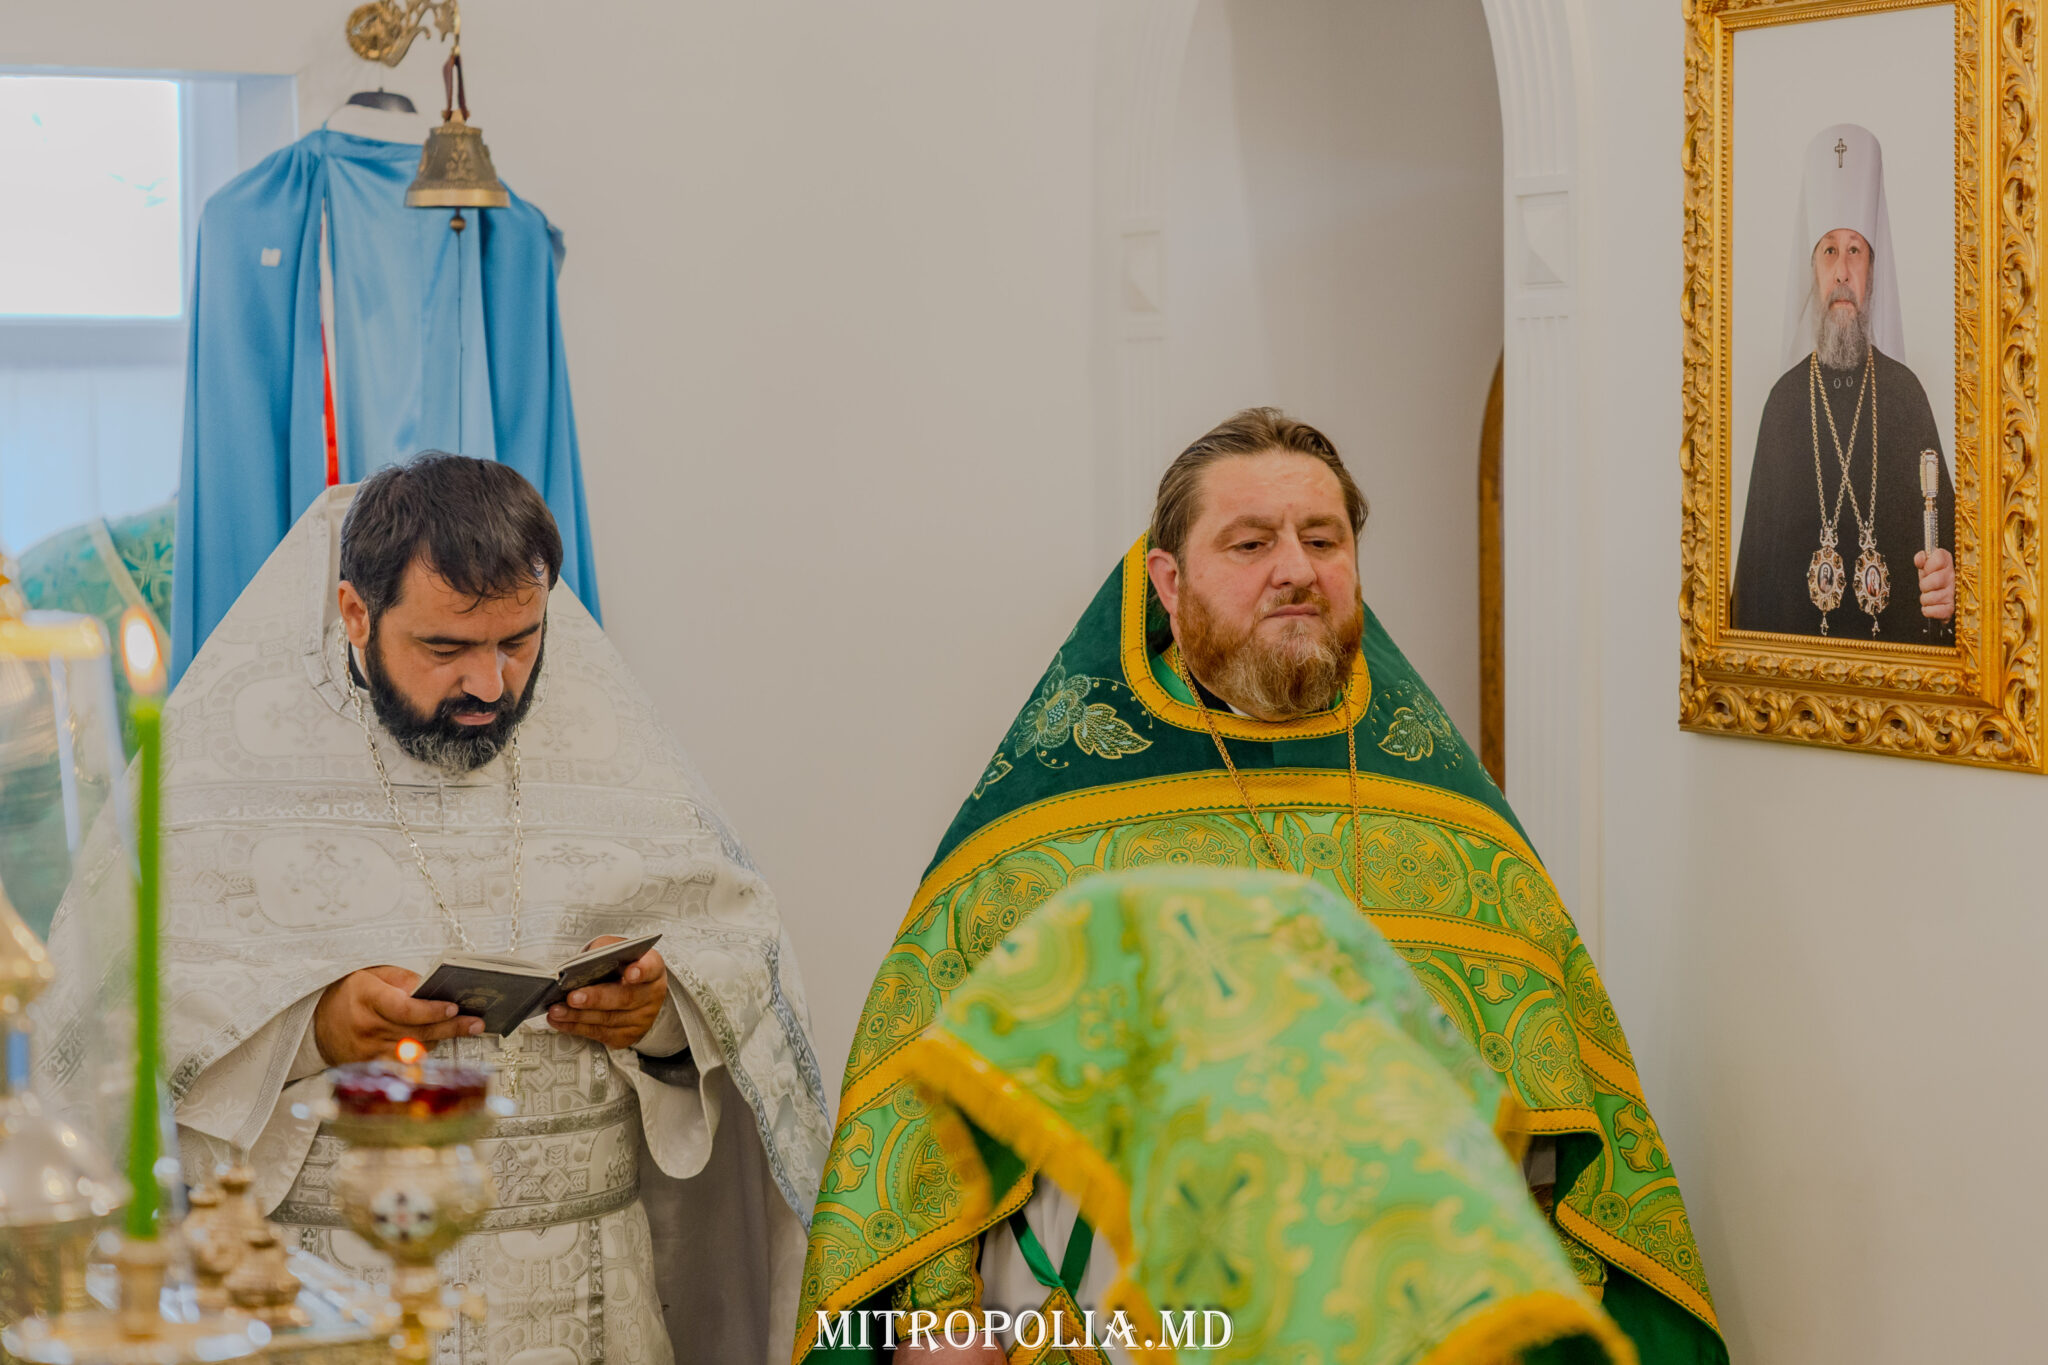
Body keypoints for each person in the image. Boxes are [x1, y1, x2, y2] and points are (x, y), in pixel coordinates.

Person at [796, 410, 1725, 1364]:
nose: (1295, 569)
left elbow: (1550, 1134)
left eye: (1322, 539)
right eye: (1250, 543)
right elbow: (929, 1111)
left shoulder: (1452, 821)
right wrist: (940, 1320)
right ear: (1168, 580)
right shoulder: (1048, 825)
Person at [37, 454, 829, 1365]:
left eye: (519, 640)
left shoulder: (611, 747)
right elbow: (108, 1020)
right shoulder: (221, 771)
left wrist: (658, 1014)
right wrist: (313, 1030)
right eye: (447, 650)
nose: (491, 684)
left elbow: (746, 965)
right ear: (355, 613)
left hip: (586, 1304)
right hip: (330, 1301)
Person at [1732, 123, 1956, 639]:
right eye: (1829, 250)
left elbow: (1952, 571)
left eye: (1855, 250)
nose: (1841, 272)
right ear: (1812, 270)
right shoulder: (1783, 405)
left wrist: (1950, 587)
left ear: (1873, 270)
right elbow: (1751, 597)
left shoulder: (1906, 397)